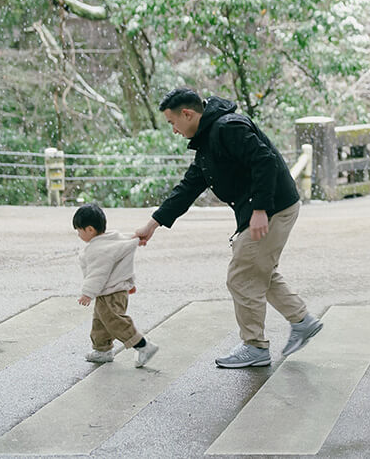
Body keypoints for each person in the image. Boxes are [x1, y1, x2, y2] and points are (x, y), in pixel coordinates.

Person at [134, 88, 322, 369]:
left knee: (241, 277)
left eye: (172, 122)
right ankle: (302, 321)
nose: (173, 130)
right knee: (257, 272)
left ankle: (255, 347)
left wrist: (260, 209)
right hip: (268, 208)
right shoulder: (207, 139)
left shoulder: (227, 127)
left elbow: (264, 161)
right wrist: (154, 223)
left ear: (187, 114)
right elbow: (190, 186)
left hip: (273, 209)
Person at [73, 202, 158, 368]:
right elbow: (126, 242)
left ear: (90, 229)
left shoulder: (98, 249)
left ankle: (143, 345)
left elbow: (98, 274)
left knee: (115, 321)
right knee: (100, 322)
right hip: (112, 292)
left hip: (111, 293)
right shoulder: (111, 239)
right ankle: (102, 350)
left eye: (79, 230)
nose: (78, 234)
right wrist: (136, 240)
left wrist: (87, 293)